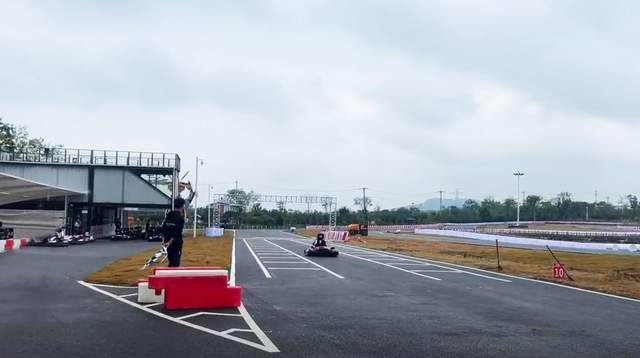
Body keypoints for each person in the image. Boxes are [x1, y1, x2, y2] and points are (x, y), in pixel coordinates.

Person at [162, 197, 187, 267]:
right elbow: (177, 233)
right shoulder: (180, 218)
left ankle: (168, 275)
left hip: (167, 243)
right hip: (176, 244)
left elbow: (164, 229)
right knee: (175, 264)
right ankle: (169, 277)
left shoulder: (169, 215)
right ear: (182, 206)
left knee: (171, 261)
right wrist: (170, 242)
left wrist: (165, 241)